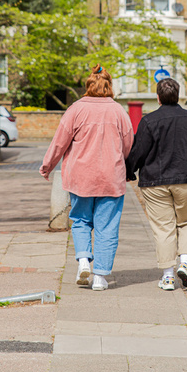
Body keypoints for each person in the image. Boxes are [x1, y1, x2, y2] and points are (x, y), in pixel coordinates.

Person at [39, 65, 134, 291]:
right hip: (111, 178)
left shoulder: (75, 109)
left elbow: (60, 141)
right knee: (107, 227)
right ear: (109, 86)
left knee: (80, 220)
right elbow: (129, 144)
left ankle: (83, 261)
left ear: (88, 86)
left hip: (80, 178)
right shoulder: (118, 111)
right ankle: (100, 277)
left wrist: (47, 166)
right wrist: (126, 166)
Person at [126, 77, 187, 291]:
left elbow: (138, 151)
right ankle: (185, 263)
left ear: (158, 98)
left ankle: (168, 277)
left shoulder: (149, 121)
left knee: (163, 228)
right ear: (178, 97)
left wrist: (129, 172)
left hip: (154, 183)